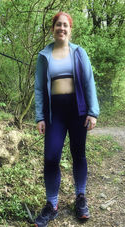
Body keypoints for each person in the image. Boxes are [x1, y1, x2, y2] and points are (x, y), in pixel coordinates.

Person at [34, 12, 99, 227]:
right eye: (58, 25)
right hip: (55, 114)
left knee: (78, 154)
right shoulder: (44, 55)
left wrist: (93, 111)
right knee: (51, 157)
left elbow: (89, 82)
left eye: (65, 25)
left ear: (70, 30)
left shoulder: (79, 53)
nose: (61, 28)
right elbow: (40, 89)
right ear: (52, 29)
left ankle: (80, 198)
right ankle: (51, 205)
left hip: (78, 111)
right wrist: (40, 116)